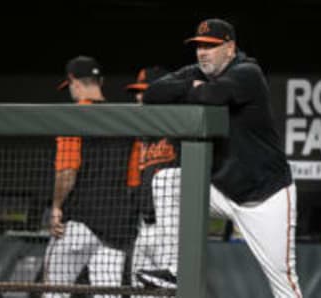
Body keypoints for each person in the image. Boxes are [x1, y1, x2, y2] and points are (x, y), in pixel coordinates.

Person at [142, 19, 303, 298]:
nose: (202, 52)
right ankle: (174, 271)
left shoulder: (248, 72)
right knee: (167, 181)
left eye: (211, 46)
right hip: (221, 190)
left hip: (265, 198)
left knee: (284, 286)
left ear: (230, 48)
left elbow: (214, 95)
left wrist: (189, 88)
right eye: (199, 46)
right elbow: (152, 93)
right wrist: (192, 85)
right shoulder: (198, 71)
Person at [43, 55, 137, 298]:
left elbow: (67, 171)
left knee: (54, 292)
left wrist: (56, 207)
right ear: (100, 81)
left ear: (73, 81)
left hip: (78, 225)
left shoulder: (75, 116)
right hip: (116, 228)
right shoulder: (126, 118)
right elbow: (133, 178)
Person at [125, 67, 181, 293]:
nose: (139, 97)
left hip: (170, 229)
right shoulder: (142, 135)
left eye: (144, 91)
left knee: (171, 290)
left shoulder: (180, 128)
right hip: (144, 227)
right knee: (139, 291)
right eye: (137, 92)